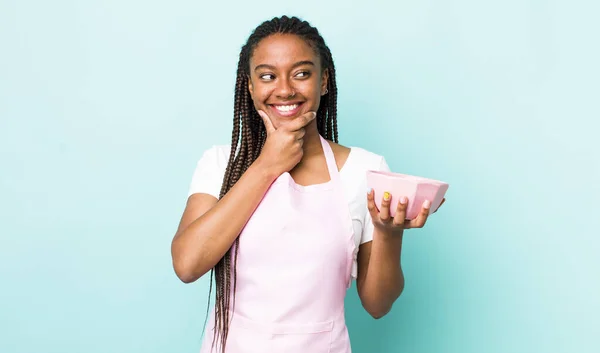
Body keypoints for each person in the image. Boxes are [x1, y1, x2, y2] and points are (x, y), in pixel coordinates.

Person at [171, 15, 444, 353]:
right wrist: (267, 165)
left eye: (301, 73)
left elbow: (378, 305)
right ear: (251, 87)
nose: (285, 89)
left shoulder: (365, 170)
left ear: (324, 80)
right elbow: (186, 264)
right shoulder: (219, 163)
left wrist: (390, 232)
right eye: (268, 76)